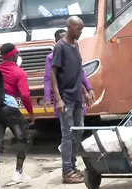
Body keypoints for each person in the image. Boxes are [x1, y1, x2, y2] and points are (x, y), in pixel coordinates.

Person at [50, 16, 93, 184]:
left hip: (77, 99)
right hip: (66, 98)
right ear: (69, 28)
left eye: (81, 29)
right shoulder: (60, 47)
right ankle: (66, 171)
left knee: (78, 133)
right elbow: (53, 74)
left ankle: (73, 167)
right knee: (67, 135)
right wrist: (58, 99)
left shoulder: (76, 45)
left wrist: (85, 91)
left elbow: (77, 72)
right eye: (78, 29)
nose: (81, 32)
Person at [0, 43, 35, 189]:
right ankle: (18, 172)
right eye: (17, 53)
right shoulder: (19, 72)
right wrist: (30, 113)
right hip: (10, 110)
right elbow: (25, 95)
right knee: (24, 137)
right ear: (14, 55)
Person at [44, 29, 95, 152]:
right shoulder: (51, 57)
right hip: (64, 96)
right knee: (68, 129)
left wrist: (89, 89)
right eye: (61, 39)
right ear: (56, 42)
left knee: (80, 127)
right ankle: (68, 157)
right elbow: (48, 77)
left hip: (77, 94)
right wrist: (47, 97)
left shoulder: (74, 51)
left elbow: (80, 73)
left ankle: (69, 150)